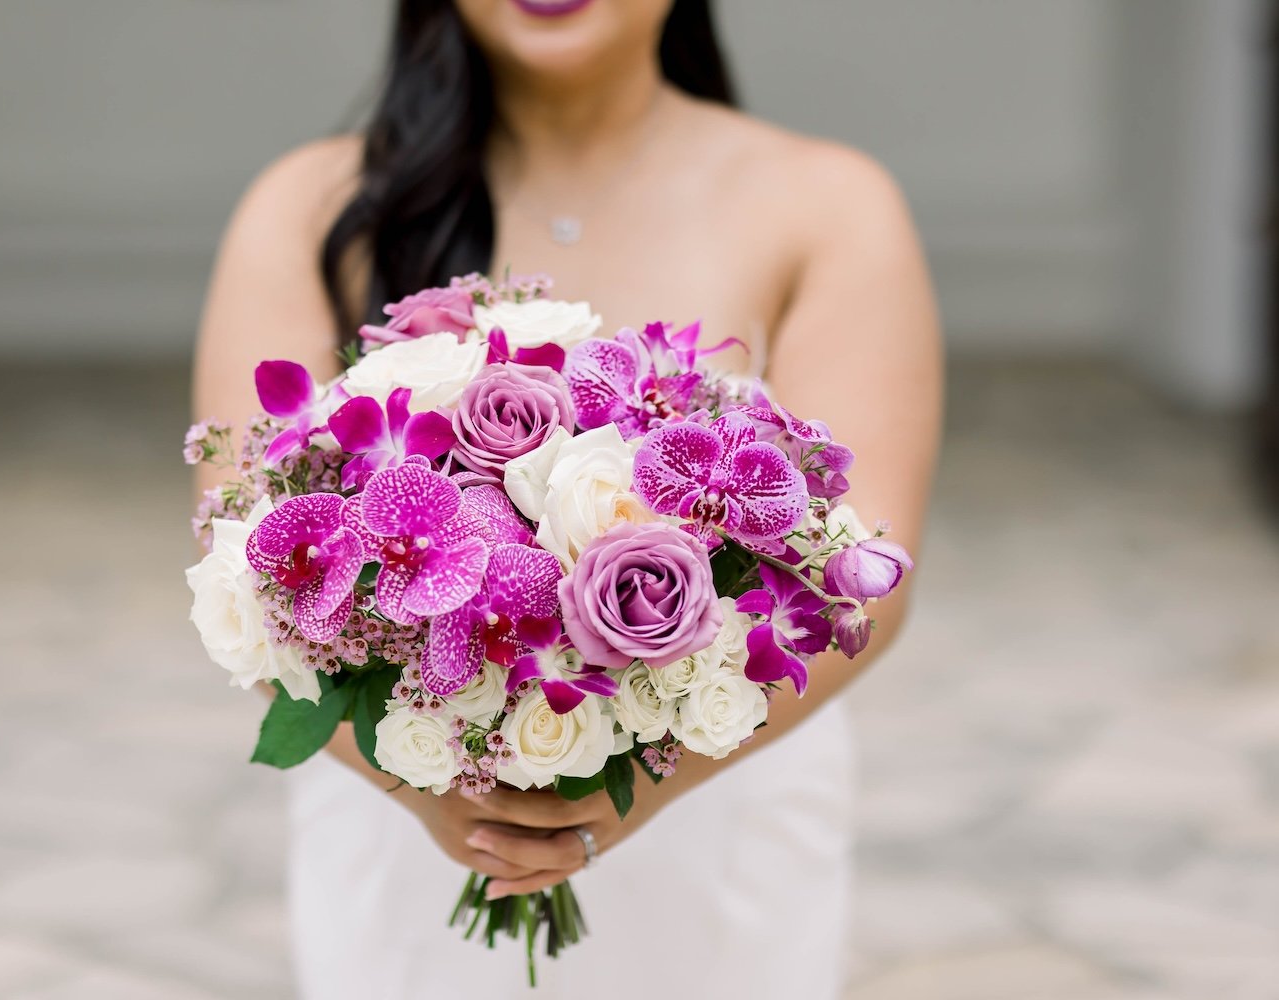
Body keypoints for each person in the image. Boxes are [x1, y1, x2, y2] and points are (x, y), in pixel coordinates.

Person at [193, 1, 941, 995]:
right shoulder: (312, 206)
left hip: (716, 802)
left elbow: (866, 574)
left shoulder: (827, 205)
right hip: (403, 814)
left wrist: (631, 795)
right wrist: (436, 791)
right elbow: (247, 573)